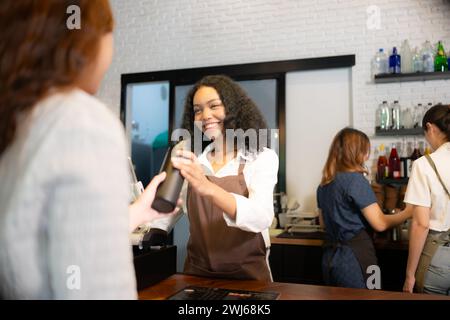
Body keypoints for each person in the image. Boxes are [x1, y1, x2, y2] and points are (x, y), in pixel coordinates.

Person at [0, 0, 178, 299]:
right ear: (82, 40)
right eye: (110, 32)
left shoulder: (16, 121)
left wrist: (137, 212)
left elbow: (51, 234)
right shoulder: (81, 122)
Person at [150, 75, 279, 281]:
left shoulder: (261, 157)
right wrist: (149, 228)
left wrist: (208, 187)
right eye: (198, 110)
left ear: (234, 109)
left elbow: (262, 217)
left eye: (214, 106)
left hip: (248, 276)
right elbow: (169, 209)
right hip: (197, 272)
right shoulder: (192, 158)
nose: (205, 115)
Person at [317, 128, 411, 289]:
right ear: (357, 152)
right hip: (356, 255)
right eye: (366, 151)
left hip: (330, 258)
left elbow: (323, 224)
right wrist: (408, 212)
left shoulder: (324, 184)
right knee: (371, 296)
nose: (367, 156)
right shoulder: (355, 180)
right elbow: (380, 223)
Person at [403, 104, 450, 295]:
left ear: (430, 128)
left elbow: (421, 224)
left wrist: (409, 275)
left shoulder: (424, 165)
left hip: (438, 257)